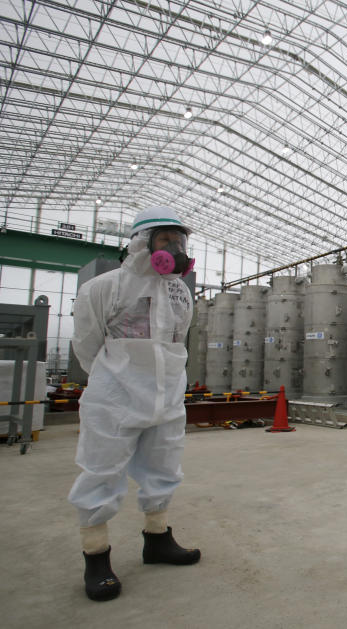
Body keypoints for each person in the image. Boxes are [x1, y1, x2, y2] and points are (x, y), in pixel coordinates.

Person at [68, 206, 200, 602]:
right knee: (101, 472)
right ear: (142, 243)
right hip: (116, 398)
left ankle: (157, 540)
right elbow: (86, 345)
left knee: (164, 467)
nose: (175, 249)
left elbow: (178, 340)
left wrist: (166, 385)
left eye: (180, 241)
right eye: (166, 240)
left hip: (168, 395)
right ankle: (96, 557)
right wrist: (115, 381)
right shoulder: (104, 287)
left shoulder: (180, 290)